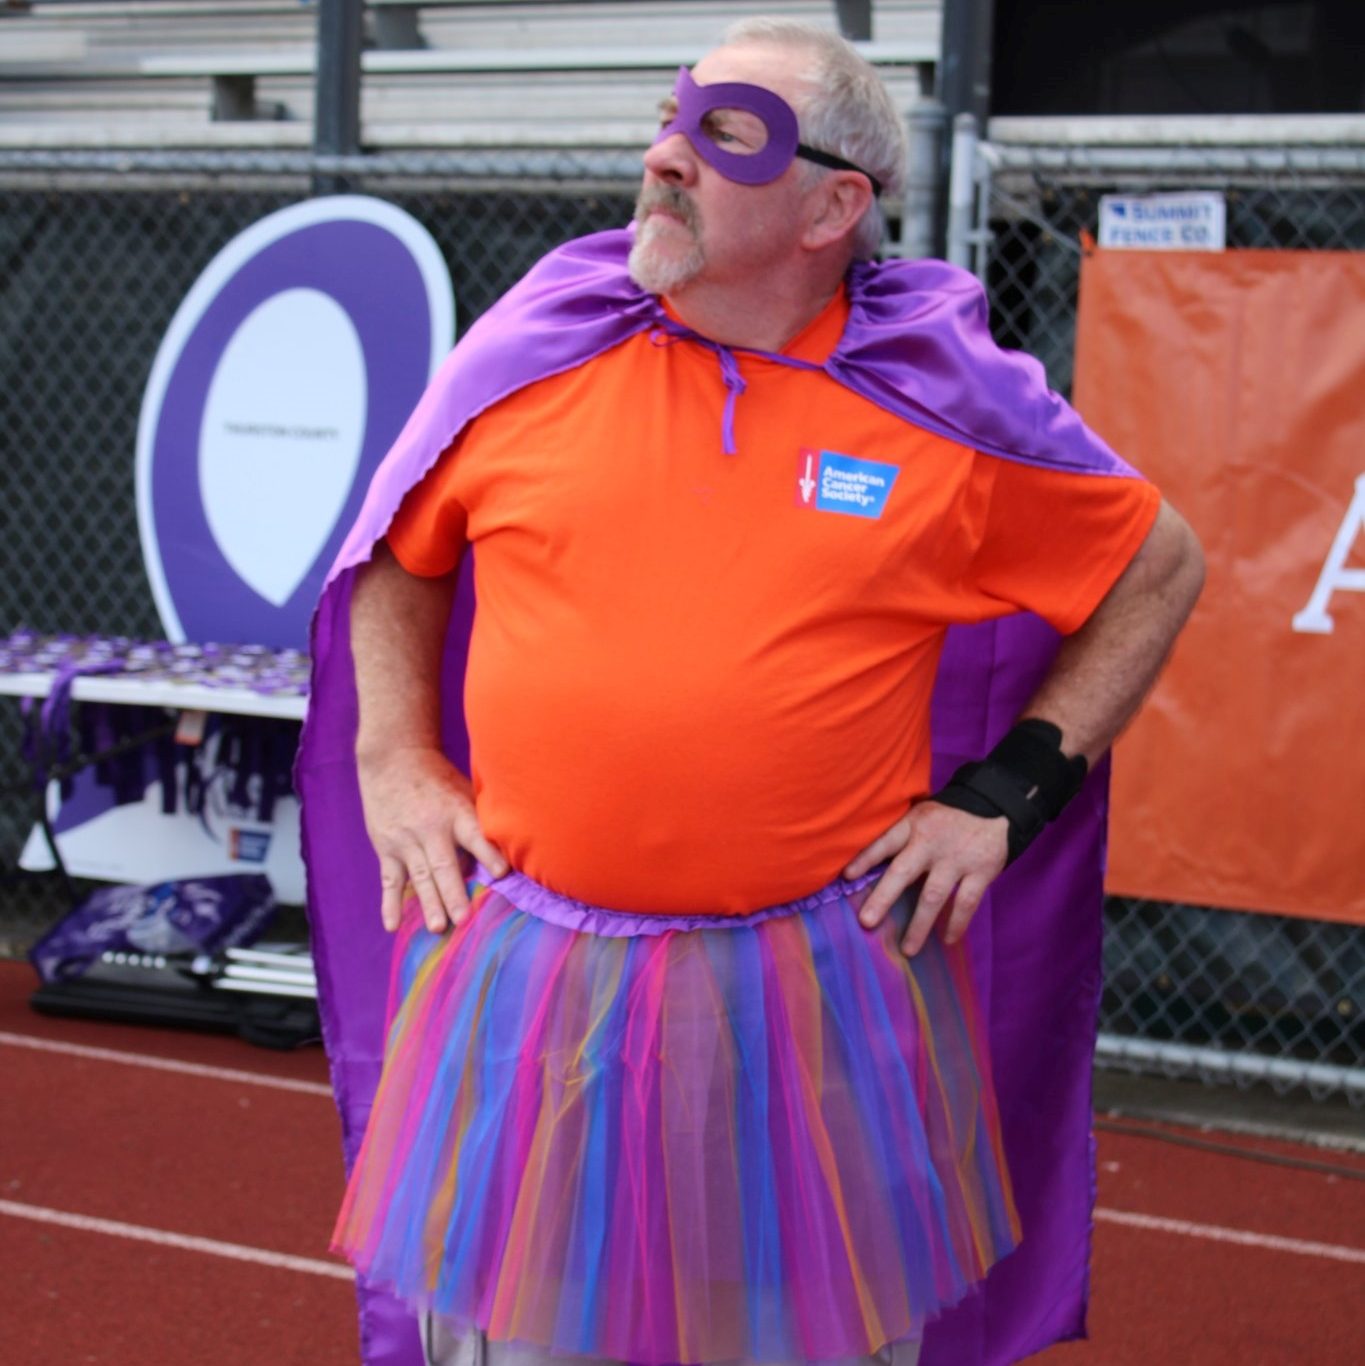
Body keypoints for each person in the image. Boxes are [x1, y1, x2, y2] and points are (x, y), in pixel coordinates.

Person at [298, 18, 1204, 1366]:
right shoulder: (532, 349)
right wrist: (392, 752)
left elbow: (1157, 565)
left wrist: (1006, 795)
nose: (667, 153)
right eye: (672, 115)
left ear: (835, 203)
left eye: (726, 133)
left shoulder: (942, 404)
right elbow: (395, 552)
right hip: (534, 985)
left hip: (807, 997)